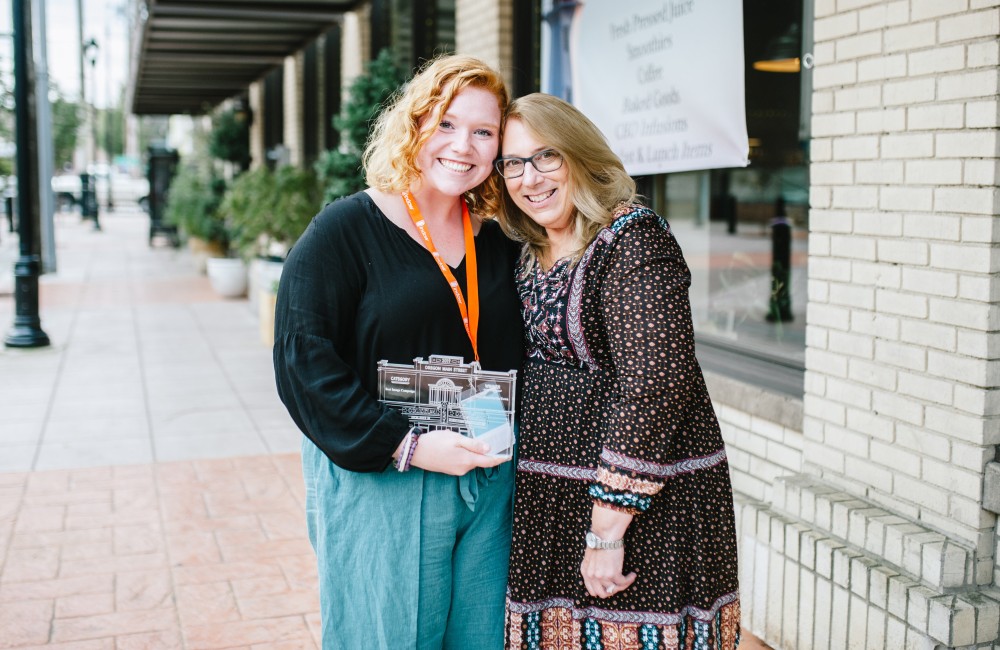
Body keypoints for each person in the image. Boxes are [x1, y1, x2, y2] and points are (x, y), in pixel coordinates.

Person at [272, 55, 523, 649]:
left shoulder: (499, 240)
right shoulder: (342, 232)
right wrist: (404, 444)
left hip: (488, 480)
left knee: (481, 639)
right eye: (445, 124)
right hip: (386, 478)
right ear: (413, 125)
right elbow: (302, 361)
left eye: (483, 132)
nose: (463, 146)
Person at [495, 93, 741, 649]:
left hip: (636, 503)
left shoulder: (632, 239)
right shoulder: (530, 248)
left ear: (581, 155)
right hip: (549, 499)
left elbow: (654, 387)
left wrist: (607, 531)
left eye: (545, 157)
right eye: (512, 163)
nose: (528, 178)